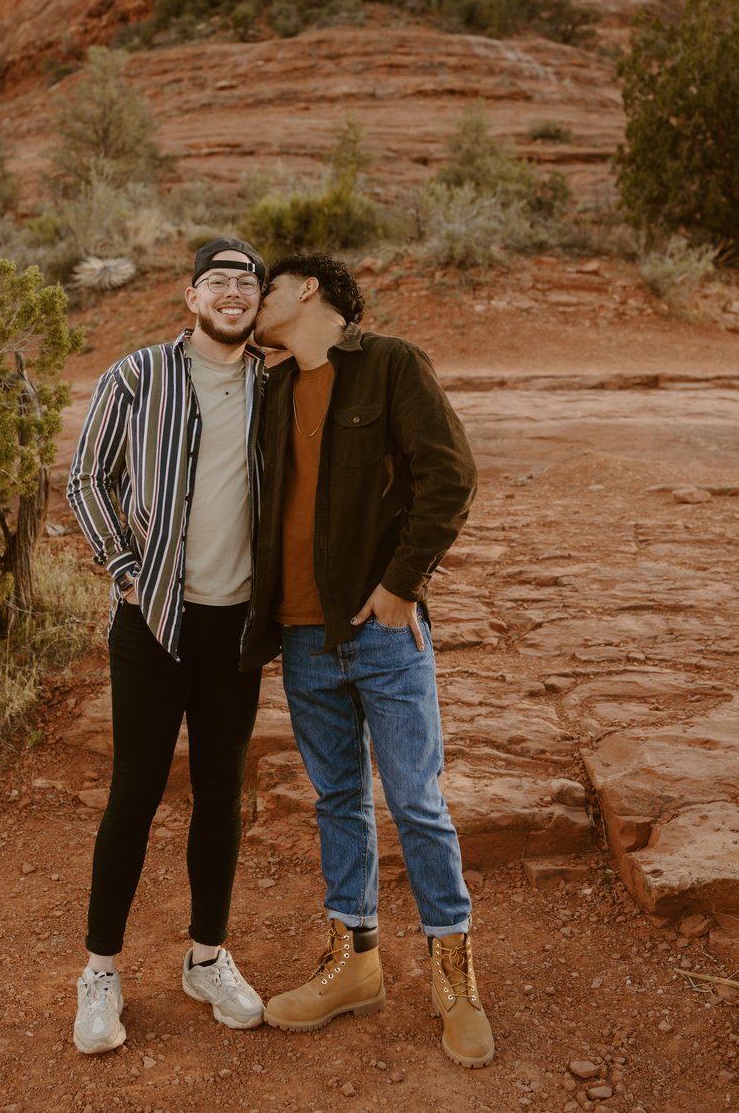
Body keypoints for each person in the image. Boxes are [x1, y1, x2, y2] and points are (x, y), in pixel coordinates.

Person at [244, 251, 494, 1069]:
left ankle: (452, 971)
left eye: (266, 288)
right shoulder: (273, 388)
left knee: (417, 802)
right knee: (338, 801)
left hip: (381, 633)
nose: (256, 302)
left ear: (307, 290)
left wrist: (400, 586)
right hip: (300, 637)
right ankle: (354, 963)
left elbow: (450, 477)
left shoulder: (390, 364)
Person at [66, 238, 268, 1055]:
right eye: (217, 280)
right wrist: (122, 566)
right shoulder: (137, 375)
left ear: (258, 301)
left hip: (238, 627)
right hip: (152, 621)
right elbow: (86, 477)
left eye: (245, 282)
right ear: (190, 296)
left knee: (220, 797)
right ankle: (100, 973)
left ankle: (206, 957)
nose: (232, 292)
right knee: (135, 794)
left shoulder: (277, 382)